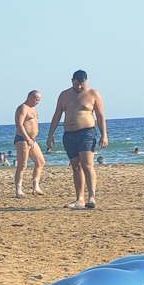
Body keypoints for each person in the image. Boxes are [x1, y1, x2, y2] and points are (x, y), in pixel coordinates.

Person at [45, 70, 107, 210]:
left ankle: (91, 196)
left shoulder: (93, 94)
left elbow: (100, 116)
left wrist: (104, 134)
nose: (79, 87)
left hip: (87, 133)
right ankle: (80, 198)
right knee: (76, 166)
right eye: (77, 84)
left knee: (87, 164)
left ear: (86, 81)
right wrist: (50, 135)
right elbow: (57, 115)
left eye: (82, 84)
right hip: (69, 134)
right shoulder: (64, 95)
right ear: (72, 81)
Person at [13, 90, 45, 198]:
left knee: (40, 162)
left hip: (32, 139)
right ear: (30, 97)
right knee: (22, 165)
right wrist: (27, 138)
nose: (38, 101)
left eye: (39, 100)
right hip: (22, 138)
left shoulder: (34, 109)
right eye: (36, 99)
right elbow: (19, 125)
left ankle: (36, 186)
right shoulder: (23, 108)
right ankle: (18, 189)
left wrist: (32, 138)